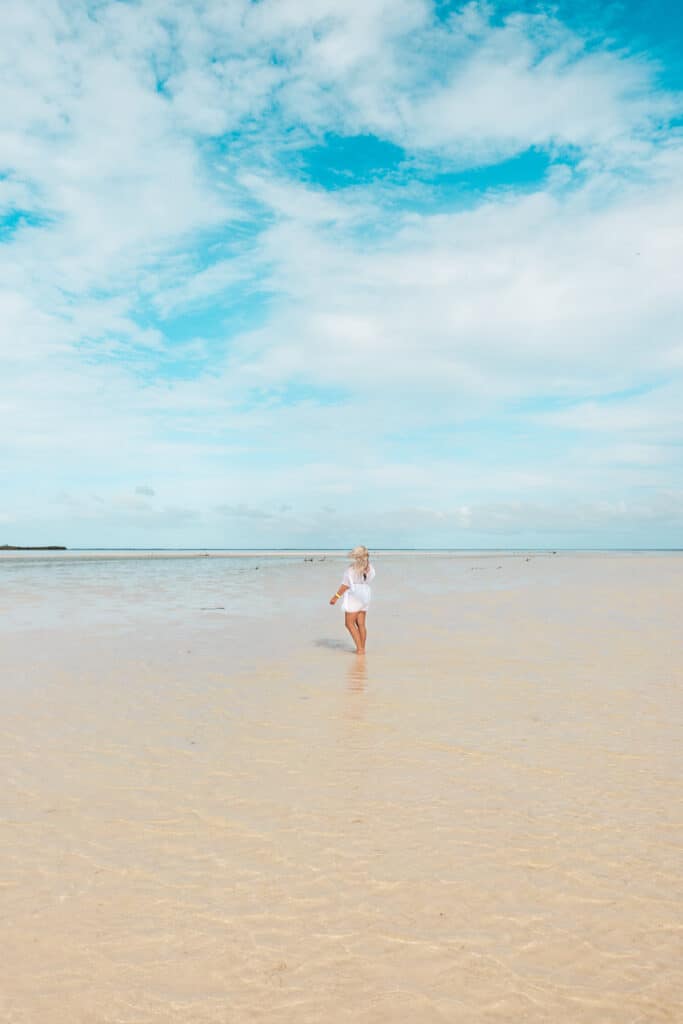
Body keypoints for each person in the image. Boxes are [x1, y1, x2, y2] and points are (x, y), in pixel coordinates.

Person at [329, 546, 376, 654]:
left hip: (354, 595)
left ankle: (359, 649)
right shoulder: (370, 568)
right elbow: (370, 578)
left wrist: (335, 596)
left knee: (349, 623)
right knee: (361, 624)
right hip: (365, 594)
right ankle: (362, 648)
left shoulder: (351, 569)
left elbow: (345, 585)